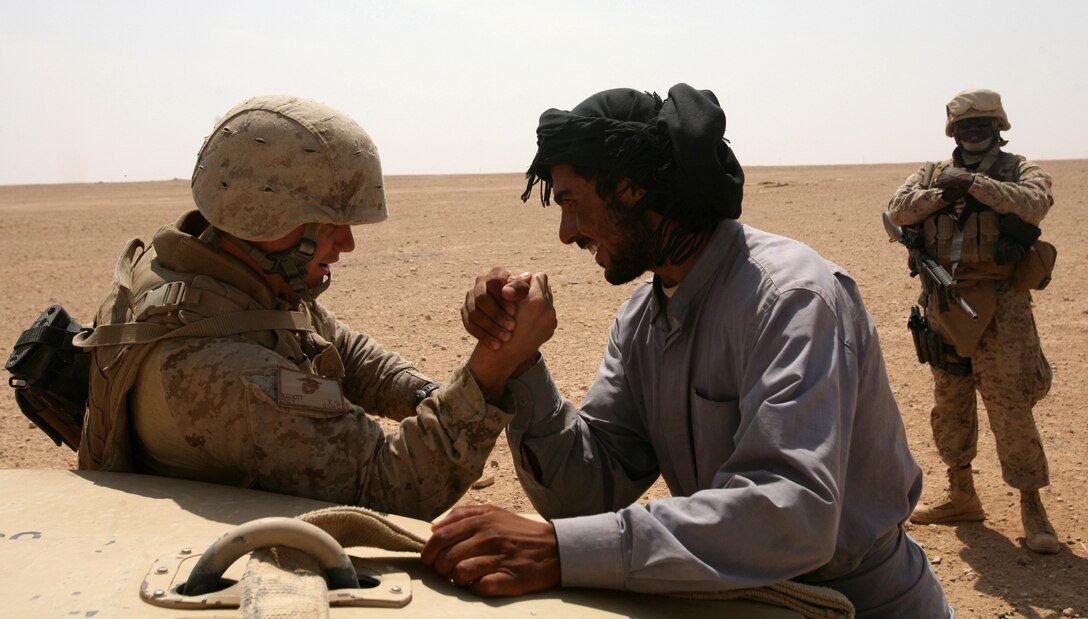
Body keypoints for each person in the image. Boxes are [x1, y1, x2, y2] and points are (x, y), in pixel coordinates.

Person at [421, 84, 951, 617]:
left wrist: (560, 550)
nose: (566, 234)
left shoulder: (790, 298)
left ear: (630, 190)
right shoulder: (641, 319)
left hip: (863, 602)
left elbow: (793, 517)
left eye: (572, 203)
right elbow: (586, 491)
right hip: (743, 599)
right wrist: (519, 359)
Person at [75, 95, 556, 519]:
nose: (345, 244)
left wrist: (428, 395)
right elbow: (387, 485)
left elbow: (333, 342)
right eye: (328, 224)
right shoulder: (222, 369)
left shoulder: (204, 269)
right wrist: (493, 366)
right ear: (265, 219)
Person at [886, 88, 1058, 554]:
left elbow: (1035, 202)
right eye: (966, 125)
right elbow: (898, 210)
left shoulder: (1020, 169)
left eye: (983, 124)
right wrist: (946, 189)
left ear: (999, 127)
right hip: (944, 299)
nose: (974, 131)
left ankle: (1031, 505)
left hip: (1002, 304)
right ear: (954, 131)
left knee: (1009, 403)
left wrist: (978, 187)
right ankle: (961, 493)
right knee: (951, 400)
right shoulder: (931, 174)